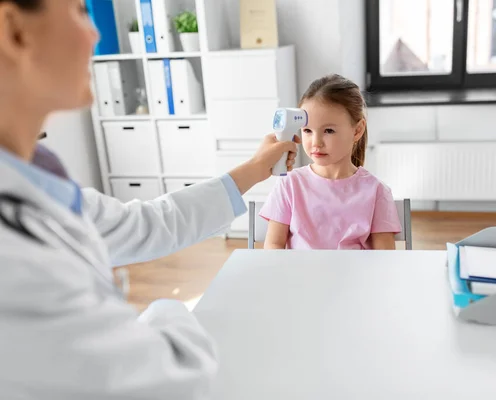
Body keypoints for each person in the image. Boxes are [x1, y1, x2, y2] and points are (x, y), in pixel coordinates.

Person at [0, 0, 299, 399]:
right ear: (13, 30)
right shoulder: (14, 253)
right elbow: (172, 378)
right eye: (77, 11)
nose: (95, 34)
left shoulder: (39, 180)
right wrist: (167, 310)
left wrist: (255, 168)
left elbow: (147, 223)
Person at [260, 74, 401, 250]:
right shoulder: (289, 185)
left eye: (328, 130)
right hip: (301, 276)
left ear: (357, 130)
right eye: (307, 130)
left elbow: (384, 258)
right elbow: (273, 245)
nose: (316, 142)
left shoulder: (376, 192)